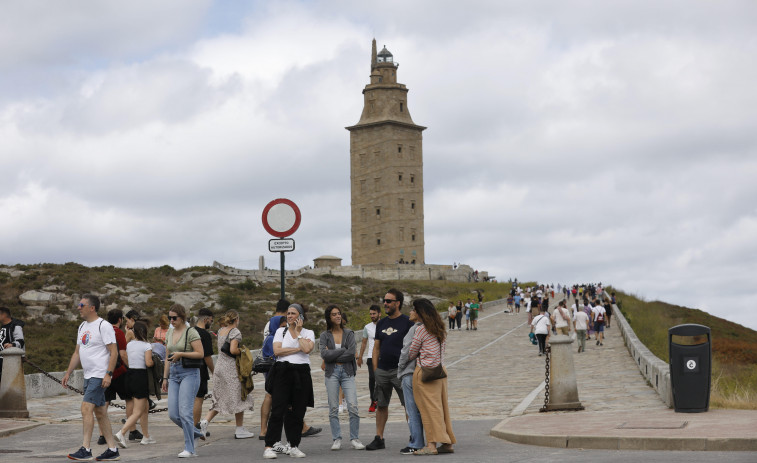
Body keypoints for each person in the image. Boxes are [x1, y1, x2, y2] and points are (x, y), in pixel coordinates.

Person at [62, 294, 121, 461]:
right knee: (101, 412)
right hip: (88, 375)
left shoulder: (104, 325)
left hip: (99, 375)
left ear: (92, 308)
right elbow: (77, 352)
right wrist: (68, 372)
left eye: (81, 305)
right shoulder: (82, 326)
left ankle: (86, 449)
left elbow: (114, 352)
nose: (78, 307)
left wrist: (108, 374)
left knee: (85, 409)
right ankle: (112, 449)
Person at [263, 303, 314, 459]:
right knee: (278, 409)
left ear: (300, 316)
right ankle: (269, 445)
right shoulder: (280, 331)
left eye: (293, 313)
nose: (290, 316)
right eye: (288, 313)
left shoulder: (308, 332)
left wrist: (298, 334)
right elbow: (277, 351)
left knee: (298, 411)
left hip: (302, 372)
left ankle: (293, 445)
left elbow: (307, 349)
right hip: (283, 371)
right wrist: (297, 348)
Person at [366, 289, 414, 451]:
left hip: (401, 372)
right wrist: (375, 370)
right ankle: (379, 438)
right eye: (384, 300)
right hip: (382, 371)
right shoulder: (381, 323)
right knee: (381, 405)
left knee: (408, 405)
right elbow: (376, 348)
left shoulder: (408, 322)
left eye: (388, 301)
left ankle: (414, 436)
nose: (385, 304)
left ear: (398, 303)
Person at [407, 298, 456, 455]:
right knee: (441, 408)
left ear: (420, 312)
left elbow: (412, 352)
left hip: (426, 373)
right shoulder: (439, 328)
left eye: (414, 309)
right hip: (440, 371)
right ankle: (447, 443)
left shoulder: (421, 330)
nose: (411, 312)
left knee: (428, 410)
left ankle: (431, 445)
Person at [200, 310, 255, 439]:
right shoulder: (235, 332)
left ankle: (205, 422)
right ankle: (239, 429)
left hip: (219, 366)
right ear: (236, 319)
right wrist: (242, 350)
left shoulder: (221, 331)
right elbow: (233, 350)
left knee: (219, 396)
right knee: (239, 395)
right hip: (230, 367)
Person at [161, 304, 206, 458]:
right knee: (173, 414)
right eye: (169, 317)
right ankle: (196, 433)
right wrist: (165, 377)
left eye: (174, 318)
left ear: (182, 317)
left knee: (185, 412)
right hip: (173, 374)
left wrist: (181, 353)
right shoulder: (169, 332)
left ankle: (190, 448)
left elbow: (200, 353)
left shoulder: (191, 332)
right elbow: (167, 355)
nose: (171, 320)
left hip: (189, 373)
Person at [320, 305, 364, 450]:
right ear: (329, 317)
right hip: (332, 373)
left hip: (347, 372)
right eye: (334, 314)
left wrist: (333, 353)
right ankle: (336, 438)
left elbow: (351, 353)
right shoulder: (324, 335)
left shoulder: (349, 333)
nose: (338, 316)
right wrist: (342, 350)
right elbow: (324, 355)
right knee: (333, 407)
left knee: (353, 406)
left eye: (339, 313)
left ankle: (355, 438)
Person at [99, 309, 138, 445]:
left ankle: (102, 434)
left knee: (104, 402)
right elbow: (123, 354)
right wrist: (130, 368)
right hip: (119, 372)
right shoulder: (118, 333)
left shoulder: (102, 331)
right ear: (120, 320)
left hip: (104, 372)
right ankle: (132, 430)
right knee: (129, 399)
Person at [114, 320, 155, 447]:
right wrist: (154, 362)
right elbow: (148, 363)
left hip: (129, 376)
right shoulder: (146, 345)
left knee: (145, 408)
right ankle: (121, 433)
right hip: (140, 377)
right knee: (138, 411)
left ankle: (146, 436)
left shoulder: (130, 344)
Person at [396, 303, 424, 455]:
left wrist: (400, 369)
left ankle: (416, 442)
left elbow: (406, 352)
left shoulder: (414, 329)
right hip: (422, 372)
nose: (410, 312)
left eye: (413, 310)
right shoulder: (428, 328)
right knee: (421, 409)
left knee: (411, 409)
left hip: (409, 372)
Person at [193, 308, 215, 432]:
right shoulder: (205, 334)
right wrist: (214, 372)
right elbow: (207, 357)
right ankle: (195, 427)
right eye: (211, 321)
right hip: (200, 370)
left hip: (188, 369)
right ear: (206, 319)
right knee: (198, 399)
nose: (210, 323)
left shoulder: (189, 331)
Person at [357, 304, 380, 412]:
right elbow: (364, 342)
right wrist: (360, 357)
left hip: (383, 357)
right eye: (370, 314)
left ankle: (380, 400)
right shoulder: (367, 327)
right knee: (372, 379)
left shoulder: (385, 325)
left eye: (374, 313)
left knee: (382, 380)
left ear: (379, 314)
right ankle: (373, 400)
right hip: (371, 357)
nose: (372, 316)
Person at [0, 307, 25, 387]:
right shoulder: (3, 326)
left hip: (8, 359)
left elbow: (21, 341)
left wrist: (12, 345)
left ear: (3, 315)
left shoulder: (15, 326)